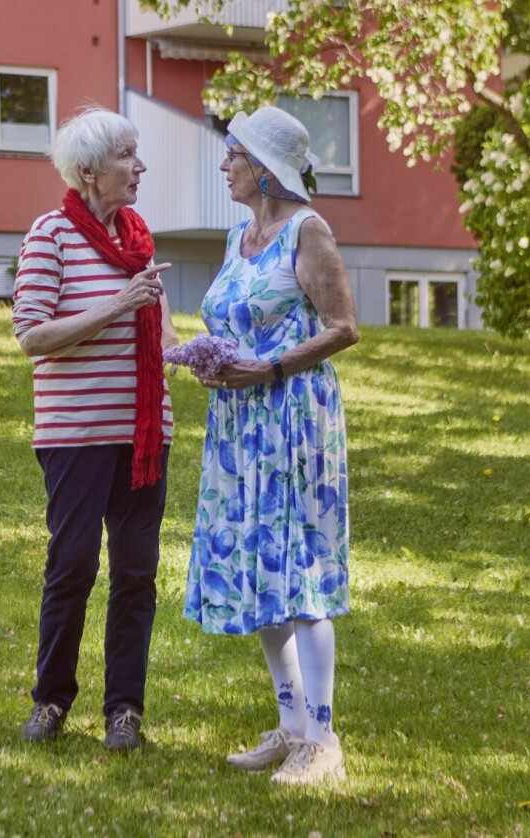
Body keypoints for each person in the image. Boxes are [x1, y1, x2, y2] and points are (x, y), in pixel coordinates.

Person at [183, 106, 359, 784]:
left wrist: (272, 367)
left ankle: (324, 739)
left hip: (293, 416)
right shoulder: (238, 236)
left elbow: (344, 326)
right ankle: (290, 729)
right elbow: (233, 321)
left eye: (232, 155)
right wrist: (213, 359)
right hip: (239, 422)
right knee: (260, 568)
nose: (224, 166)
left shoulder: (307, 233)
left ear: (263, 167)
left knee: (302, 569)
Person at [12, 107, 176, 752]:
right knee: (73, 566)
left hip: (142, 437)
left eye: (137, 154)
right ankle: (51, 700)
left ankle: (125, 711)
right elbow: (32, 336)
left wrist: (199, 356)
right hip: (75, 437)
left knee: (136, 572)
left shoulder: (138, 239)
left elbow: (157, 328)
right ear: (88, 170)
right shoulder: (50, 235)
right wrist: (116, 305)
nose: (139, 167)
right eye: (126, 156)